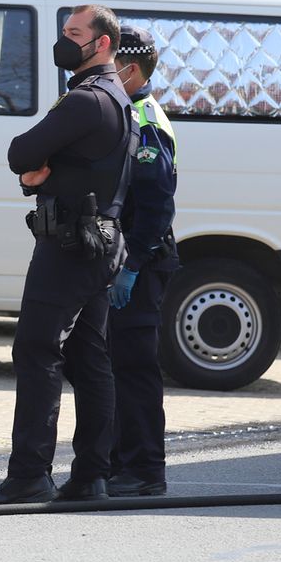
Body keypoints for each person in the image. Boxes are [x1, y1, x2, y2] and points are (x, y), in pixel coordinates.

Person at [0, 4, 137, 505]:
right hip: (98, 242)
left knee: (36, 349)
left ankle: (29, 474)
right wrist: (40, 175)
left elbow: (20, 152)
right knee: (88, 358)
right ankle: (91, 475)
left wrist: (34, 171)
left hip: (71, 244)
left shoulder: (86, 101)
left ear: (103, 43)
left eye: (74, 33)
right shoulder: (116, 97)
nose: (64, 42)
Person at [107, 26, 179, 496]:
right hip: (129, 259)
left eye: (112, 66)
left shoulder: (145, 120)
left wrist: (130, 266)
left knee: (134, 368)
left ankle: (146, 469)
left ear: (131, 70)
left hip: (144, 261)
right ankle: (121, 464)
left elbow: (156, 205)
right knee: (117, 367)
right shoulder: (129, 110)